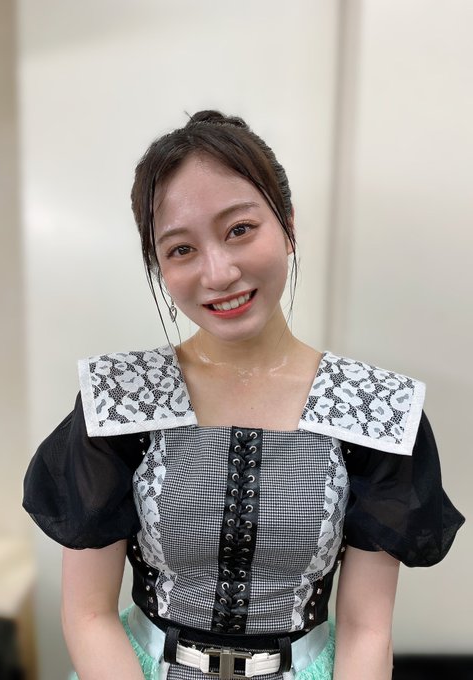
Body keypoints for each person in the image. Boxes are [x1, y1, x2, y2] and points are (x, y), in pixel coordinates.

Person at [23, 110, 464, 680]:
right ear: (158, 265)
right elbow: (88, 615)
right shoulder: (120, 402)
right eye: (180, 249)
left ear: (288, 224)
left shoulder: (374, 409)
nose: (218, 273)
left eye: (239, 230)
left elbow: (367, 629)